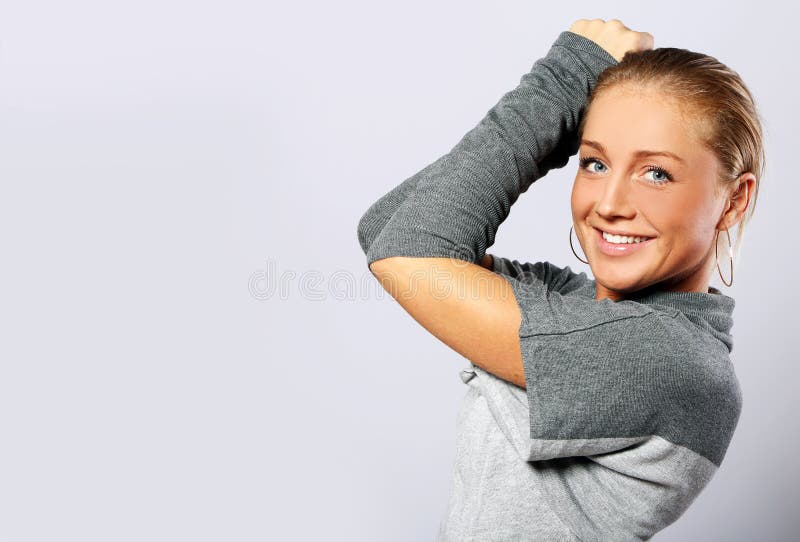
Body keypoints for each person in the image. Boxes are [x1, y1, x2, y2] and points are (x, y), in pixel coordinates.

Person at [356, 18, 763, 541]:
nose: (610, 205)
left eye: (656, 173)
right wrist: (562, 113)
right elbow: (388, 230)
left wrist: (564, 81)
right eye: (594, 163)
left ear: (733, 200)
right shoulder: (567, 304)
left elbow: (408, 252)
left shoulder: (675, 360)